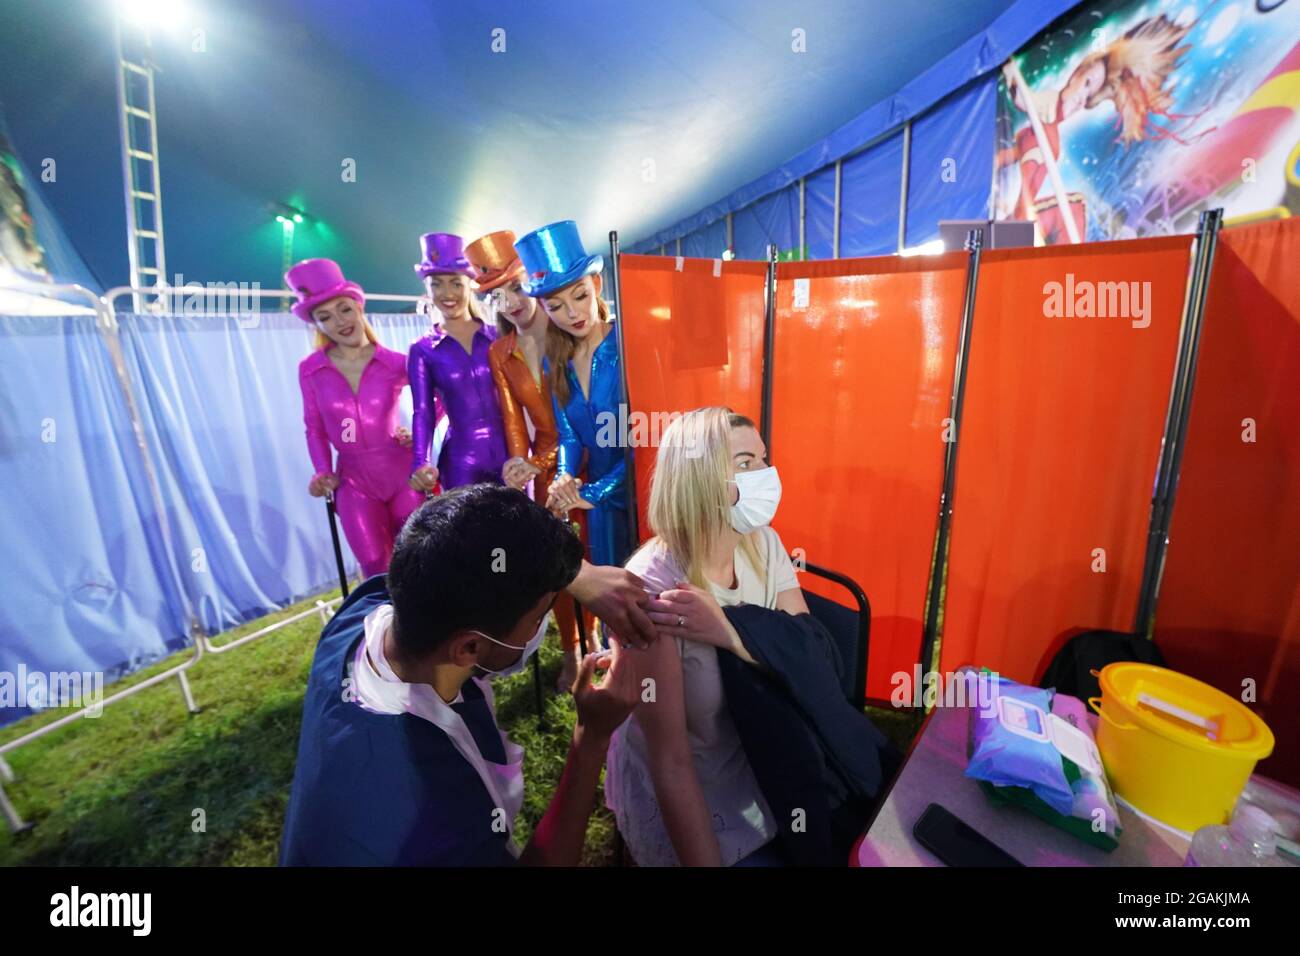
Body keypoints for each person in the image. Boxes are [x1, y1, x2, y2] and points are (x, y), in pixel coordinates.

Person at [280, 484, 658, 866]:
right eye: (540, 615)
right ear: (470, 649)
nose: (542, 628)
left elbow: (468, 535)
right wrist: (590, 737)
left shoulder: (362, 613)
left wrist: (578, 576)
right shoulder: (432, 815)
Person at [605, 407, 806, 866]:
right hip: (698, 786)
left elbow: (808, 652)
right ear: (698, 478)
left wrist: (732, 635)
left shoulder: (765, 543)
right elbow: (671, 762)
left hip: (763, 753)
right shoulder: (652, 590)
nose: (766, 474)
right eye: (744, 463)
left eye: (763, 458)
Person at [467, 229, 584, 691]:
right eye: (497, 296)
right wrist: (520, 463)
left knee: (598, 557)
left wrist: (543, 460)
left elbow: (577, 418)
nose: (511, 302)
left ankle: (603, 643)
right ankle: (573, 653)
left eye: (516, 286)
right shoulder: (501, 351)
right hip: (541, 470)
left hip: (587, 459)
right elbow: (513, 419)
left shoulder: (567, 331)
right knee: (556, 570)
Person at [288, 258, 426, 579]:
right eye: (325, 317)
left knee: (420, 560)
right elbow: (314, 428)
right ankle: (384, 629)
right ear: (317, 326)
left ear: (359, 307)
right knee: (376, 567)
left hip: (403, 474)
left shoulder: (396, 362)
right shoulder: (310, 369)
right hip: (352, 482)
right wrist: (322, 471)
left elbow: (437, 403)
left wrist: (420, 439)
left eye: (344, 309)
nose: (338, 321)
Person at [514, 220, 631, 572]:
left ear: (596, 285)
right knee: (613, 597)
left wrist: (593, 493)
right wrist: (565, 477)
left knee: (655, 598)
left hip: (644, 494)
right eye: (555, 305)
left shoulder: (629, 344)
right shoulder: (557, 363)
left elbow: (649, 439)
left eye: (579, 295)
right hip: (598, 505)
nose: (573, 314)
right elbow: (568, 435)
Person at [407, 233, 509, 492]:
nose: (447, 293)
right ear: (427, 289)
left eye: (455, 283)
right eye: (437, 284)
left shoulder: (497, 336)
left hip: (512, 455)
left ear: (469, 285)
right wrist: (421, 462)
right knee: (467, 533)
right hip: (461, 462)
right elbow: (423, 412)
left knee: (521, 529)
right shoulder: (422, 350)